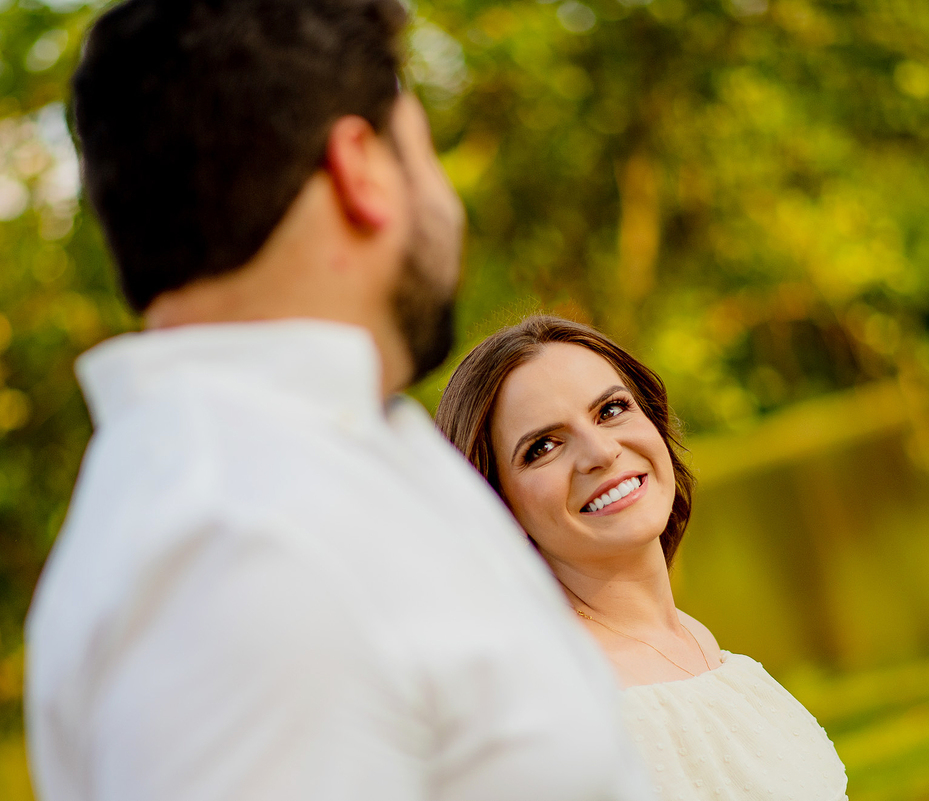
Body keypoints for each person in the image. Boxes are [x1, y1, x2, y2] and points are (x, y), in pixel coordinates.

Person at [24, 3, 655, 800]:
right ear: (361, 170)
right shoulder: (240, 552)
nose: (446, 205)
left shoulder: (314, 462)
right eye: (425, 154)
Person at [436, 315, 850, 801]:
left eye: (611, 410)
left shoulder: (693, 639)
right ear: (495, 505)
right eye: (543, 446)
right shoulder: (553, 704)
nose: (601, 451)